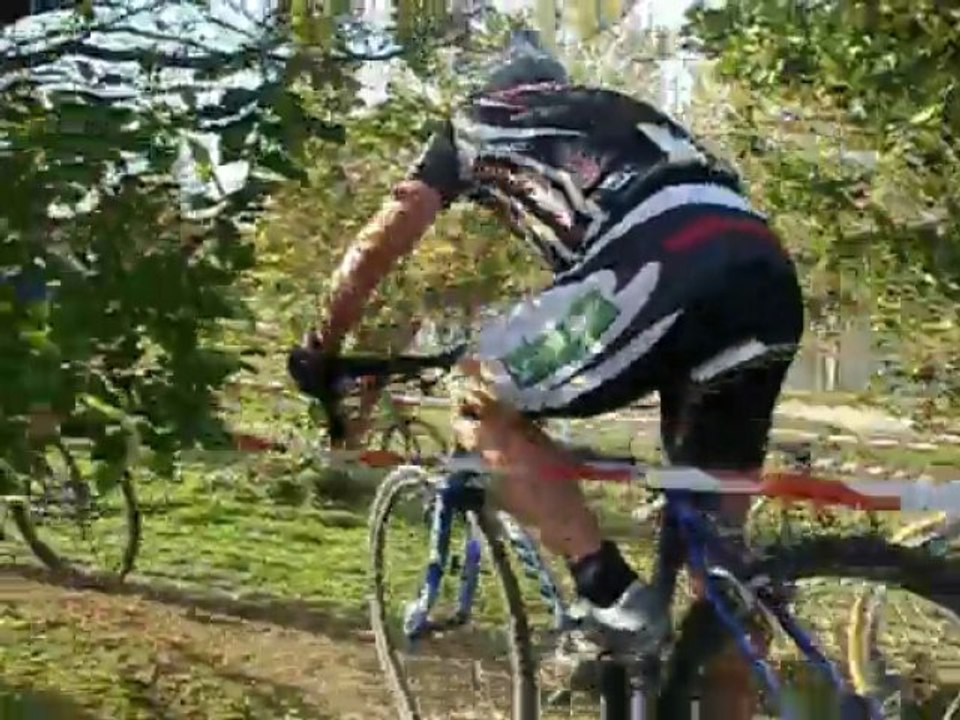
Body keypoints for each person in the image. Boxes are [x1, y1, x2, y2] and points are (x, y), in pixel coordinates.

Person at [295, 29, 804, 717]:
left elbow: (390, 226)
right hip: (762, 272)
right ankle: (735, 686)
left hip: (661, 261)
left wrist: (322, 343)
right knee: (715, 560)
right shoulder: (626, 113)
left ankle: (609, 592)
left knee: (477, 394)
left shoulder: (478, 120)